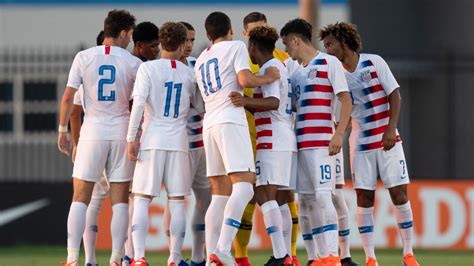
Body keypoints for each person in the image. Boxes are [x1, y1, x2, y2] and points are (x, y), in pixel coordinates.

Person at [320, 22, 420, 266]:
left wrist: (389, 128)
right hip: (361, 144)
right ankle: (370, 258)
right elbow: (338, 109)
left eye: (330, 44)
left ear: (345, 42)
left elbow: (394, 94)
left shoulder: (374, 62)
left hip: (388, 141)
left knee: (399, 194)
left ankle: (408, 253)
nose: (328, 50)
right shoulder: (336, 74)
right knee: (364, 198)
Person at [195, 11, 280, 265]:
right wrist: (268, 77)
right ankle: (221, 250)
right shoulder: (235, 47)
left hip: (209, 123)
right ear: (230, 29)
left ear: (208, 35)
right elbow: (245, 79)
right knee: (244, 187)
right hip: (230, 120)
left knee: (219, 195)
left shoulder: (201, 58)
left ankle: (212, 259)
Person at [58, 9, 141, 266]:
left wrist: (63, 131)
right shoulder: (132, 63)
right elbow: (137, 104)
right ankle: (117, 258)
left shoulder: (83, 57)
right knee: (120, 201)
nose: (130, 39)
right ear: (124, 32)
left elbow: (69, 98)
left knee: (80, 198)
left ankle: (73, 258)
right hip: (119, 132)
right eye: (129, 35)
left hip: (91, 132)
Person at [280, 18, 353, 266]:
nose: (287, 52)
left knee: (324, 197)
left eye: (287, 46)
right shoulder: (291, 67)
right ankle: (316, 257)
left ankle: (332, 255)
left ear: (295, 40)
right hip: (299, 144)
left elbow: (346, 100)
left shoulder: (329, 62)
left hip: (323, 143)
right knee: (306, 201)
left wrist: (339, 133)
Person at [127, 22, 198, 266]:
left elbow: (137, 105)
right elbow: (200, 107)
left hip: (152, 139)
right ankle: (174, 258)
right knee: (177, 201)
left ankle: (138, 257)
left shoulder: (148, 69)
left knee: (142, 199)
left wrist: (130, 139)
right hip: (178, 141)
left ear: (162, 40)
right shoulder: (188, 72)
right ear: (181, 44)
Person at [235, 12, 301, 266]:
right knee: (281, 200)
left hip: (271, 140)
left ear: (252, 46)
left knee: (264, 195)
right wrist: (249, 105)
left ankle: (280, 255)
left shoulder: (268, 68)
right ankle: (286, 255)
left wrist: (244, 101)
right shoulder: (281, 66)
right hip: (284, 139)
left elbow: (273, 102)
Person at [161, 21, 210, 266]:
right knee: (175, 200)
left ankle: (200, 256)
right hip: (180, 146)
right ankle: (175, 255)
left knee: (206, 200)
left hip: (201, 144)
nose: (189, 45)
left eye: (192, 40)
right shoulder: (160, 68)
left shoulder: (198, 65)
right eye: (186, 40)